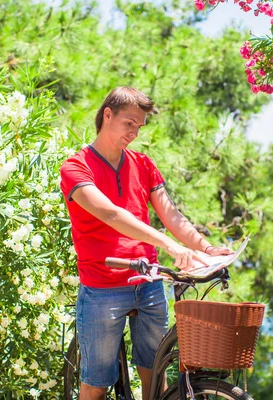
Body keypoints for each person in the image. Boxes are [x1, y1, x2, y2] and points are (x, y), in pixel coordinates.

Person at [59, 86, 233, 400]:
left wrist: (205, 248)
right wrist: (172, 246)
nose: (134, 132)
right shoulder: (76, 167)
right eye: (129, 123)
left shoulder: (143, 164)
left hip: (149, 282)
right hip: (103, 288)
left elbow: (170, 214)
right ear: (107, 115)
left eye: (139, 126)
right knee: (96, 386)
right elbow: (111, 214)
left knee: (156, 379)